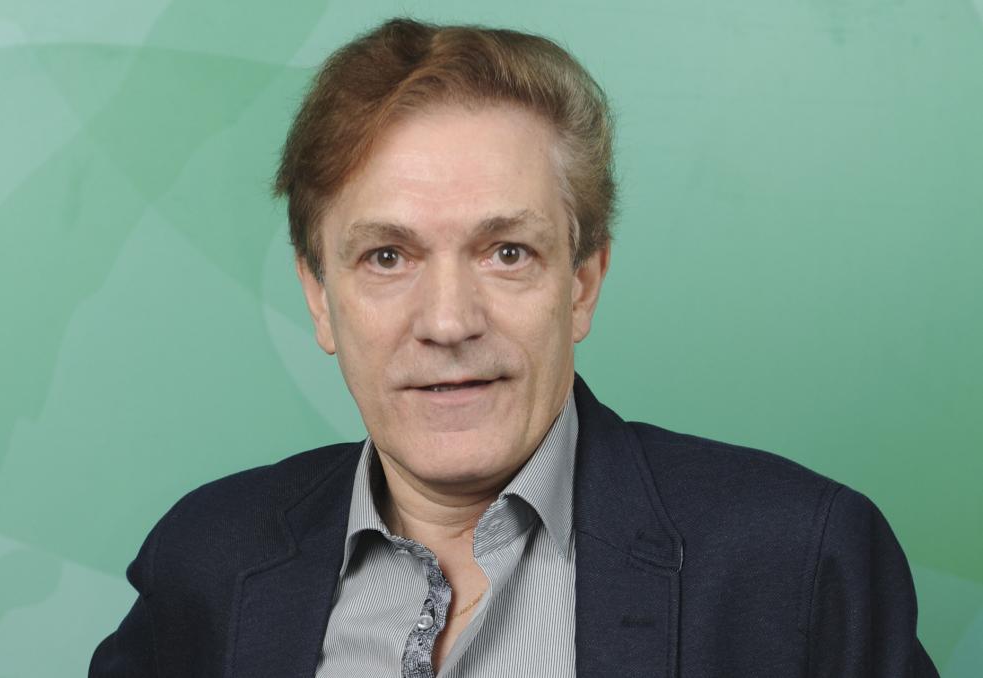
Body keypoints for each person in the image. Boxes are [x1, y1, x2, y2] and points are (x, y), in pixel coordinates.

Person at [90, 18, 938, 678]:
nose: (448, 321)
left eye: (506, 252)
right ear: (319, 296)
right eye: (386, 257)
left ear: (582, 282)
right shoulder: (204, 562)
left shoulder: (796, 560)